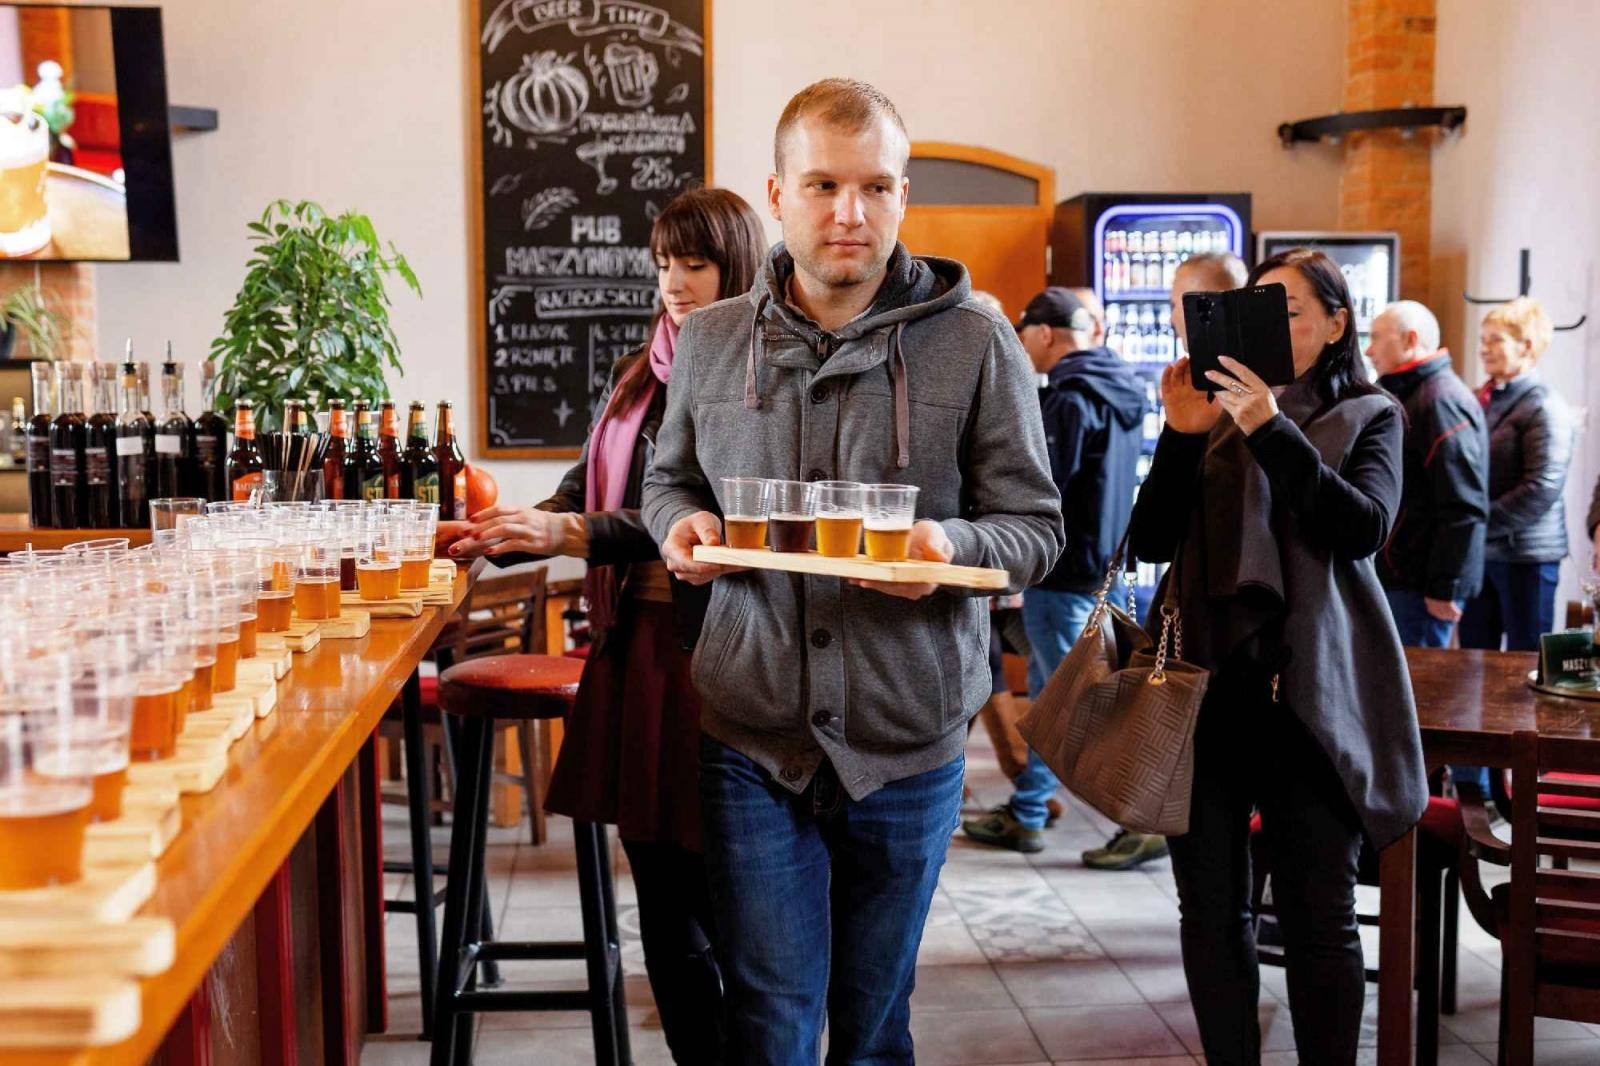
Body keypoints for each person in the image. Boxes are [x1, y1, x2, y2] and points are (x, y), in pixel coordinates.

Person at [640, 78, 1063, 1065]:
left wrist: (951, 550)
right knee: (770, 1022)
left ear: (902, 195)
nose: (849, 212)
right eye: (823, 184)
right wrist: (679, 522)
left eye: (875, 186)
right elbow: (669, 479)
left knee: (873, 1029)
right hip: (751, 731)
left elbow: (1037, 527)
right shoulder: (711, 339)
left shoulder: (976, 339)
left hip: (908, 733)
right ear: (776, 193)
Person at [449, 186, 768, 1066]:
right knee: (660, 901)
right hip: (636, 649)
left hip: (718, 658)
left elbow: (705, 517)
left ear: (738, 266)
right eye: (663, 264)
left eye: (695, 264)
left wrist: (572, 533)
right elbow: (586, 487)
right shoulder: (637, 370)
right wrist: (512, 530)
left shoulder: (759, 373)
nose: (674, 283)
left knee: (729, 901)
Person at [1128, 248, 1427, 1064]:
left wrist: (1269, 426)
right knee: (1210, 909)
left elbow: (1360, 527)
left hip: (1311, 695)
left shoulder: (1370, 413)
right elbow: (1151, 541)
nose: (1271, 326)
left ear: (1336, 324)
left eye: (1291, 311)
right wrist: (1182, 435)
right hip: (1206, 690)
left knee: (1317, 916)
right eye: (1258, 309)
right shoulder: (1211, 410)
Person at [961, 286, 1144, 855]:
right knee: (1056, 692)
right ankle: (1030, 809)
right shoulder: (1122, 387)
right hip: (1101, 562)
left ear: (1044, 334)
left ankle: (1144, 816)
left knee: (1072, 698)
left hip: (1062, 569)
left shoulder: (1068, 398)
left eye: (1023, 338)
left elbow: (1040, 491)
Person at [1458, 296, 1574, 657]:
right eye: (1483, 339)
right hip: (1483, 552)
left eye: (1496, 340)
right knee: (1473, 661)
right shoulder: (1482, 398)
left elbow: (1542, 487)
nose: (1484, 349)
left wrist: (1479, 524)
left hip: (1527, 556)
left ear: (1526, 345)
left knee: (1527, 662)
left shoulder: (1545, 405)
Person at [1368, 300, 1488, 648]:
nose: (1370, 350)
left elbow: (1464, 505)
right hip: (1404, 577)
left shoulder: (1438, 401)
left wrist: (1445, 586)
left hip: (1419, 587)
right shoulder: (1416, 395)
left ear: (1410, 339)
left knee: (1421, 680)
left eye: (1377, 338)